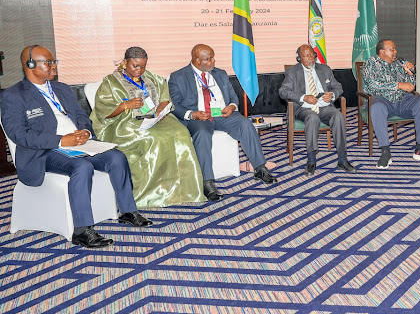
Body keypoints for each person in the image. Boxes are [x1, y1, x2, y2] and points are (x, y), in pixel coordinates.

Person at [0, 46, 153, 248]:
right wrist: (61, 141)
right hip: (44, 152)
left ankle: (127, 211)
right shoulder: (14, 95)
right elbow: (19, 134)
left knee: (117, 158)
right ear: (30, 65)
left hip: (79, 144)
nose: (54, 66)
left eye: (54, 61)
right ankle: (82, 231)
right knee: (82, 167)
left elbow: (82, 116)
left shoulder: (62, 88)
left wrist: (85, 133)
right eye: (48, 62)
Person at [90, 46, 206, 208]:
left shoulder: (152, 78)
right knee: (153, 138)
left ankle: (182, 190)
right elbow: (104, 111)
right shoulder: (110, 82)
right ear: (125, 62)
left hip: (155, 119)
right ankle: (152, 194)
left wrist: (159, 110)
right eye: (135, 66)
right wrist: (125, 105)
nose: (139, 70)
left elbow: (165, 99)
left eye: (143, 66)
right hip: (124, 123)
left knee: (180, 132)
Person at [169, 44, 278, 194]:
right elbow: (174, 104)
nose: (213, 61)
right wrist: (193, 114)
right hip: (199, 118)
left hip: (221, 114)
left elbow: (233, 97)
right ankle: (207, 182)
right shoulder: (178, 77)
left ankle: (260, 168)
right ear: (197, 60)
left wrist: (232, 107)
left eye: (213, 57)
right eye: (209, 59)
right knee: (202, 134)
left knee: (246, 124)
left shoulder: (220, 73)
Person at [362, 39, 420, 168]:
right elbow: (373, 84)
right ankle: (385, 152)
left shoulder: (398, 63)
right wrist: (398, 85)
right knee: (376, 107)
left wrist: (410, 74)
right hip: (382, 99)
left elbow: (410, 86)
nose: (395, 52)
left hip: (402, 100)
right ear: (382, 52)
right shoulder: (370, 63)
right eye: (391, 49)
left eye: (395, 49)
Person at [279, 44, 355, 175]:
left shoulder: (324, 69)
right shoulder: (292, 72)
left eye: (312, 55)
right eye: (306, 56)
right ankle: (311, 161)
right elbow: (283, 91)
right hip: (304, 108)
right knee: (312, 118)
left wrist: (332, 95)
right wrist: (303, 97)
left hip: (324, 106)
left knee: (338, 116)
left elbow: (338, 87)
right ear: (299, 59)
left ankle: (342, 160)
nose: (310, 58)